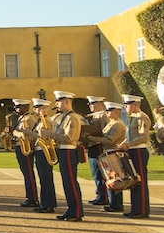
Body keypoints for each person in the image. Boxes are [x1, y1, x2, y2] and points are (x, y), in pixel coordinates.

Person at [43, 91, 84, 222]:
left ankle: (76, 211)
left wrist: (50, 134)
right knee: (67, 183)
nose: (57, 104)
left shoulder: (72, 117)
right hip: (63, 151)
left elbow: (68, 137)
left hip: (68, 151)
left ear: (67, 102)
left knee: (71, 182)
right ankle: (71, 209)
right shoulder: (64, 117)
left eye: (59, 101)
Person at [121, 95, 152, 218]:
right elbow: (131, 135)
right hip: (133, 150)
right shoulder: (133, 117)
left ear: (136, 105)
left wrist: (128, 145)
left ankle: (142, 210)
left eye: (127, 104)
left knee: (140, 181)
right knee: (134, 181)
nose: (125, 107)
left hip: (139, 150)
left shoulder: (141, 117)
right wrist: (124, 144)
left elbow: (143, 137)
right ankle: (136, 208)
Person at [27, 98, 58, 214]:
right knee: (43, 179)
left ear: (45, 108)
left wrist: (27, 132)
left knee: (46, 179)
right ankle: (45, 203)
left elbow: (42, 136)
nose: (35, 109)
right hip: (39, 150)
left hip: (43, 150)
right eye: (35, 107)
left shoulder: (47, 120)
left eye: (38, 107)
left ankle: (48, 204)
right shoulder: (40, 120)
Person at [8, 99, 39, 208]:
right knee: (26, 173)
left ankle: (33, 198)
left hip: (25, 148)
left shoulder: (29, 118)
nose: (16, 109)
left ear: (25, 108)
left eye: (18, 107)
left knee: (28, 173)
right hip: (19, 146)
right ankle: (30, 196)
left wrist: (14, 132)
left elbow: (27, 135)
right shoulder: (21, 118)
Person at [83, 96, 110, 205]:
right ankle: (100, 194)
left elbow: (106, 131)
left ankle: (103, 197)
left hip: (98, 145)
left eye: (92, 103)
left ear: (99, 104)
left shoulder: (103, 115)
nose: (90, 106)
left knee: (100, 173)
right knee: (95, 173)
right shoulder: (95, 116)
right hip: (92, 145)